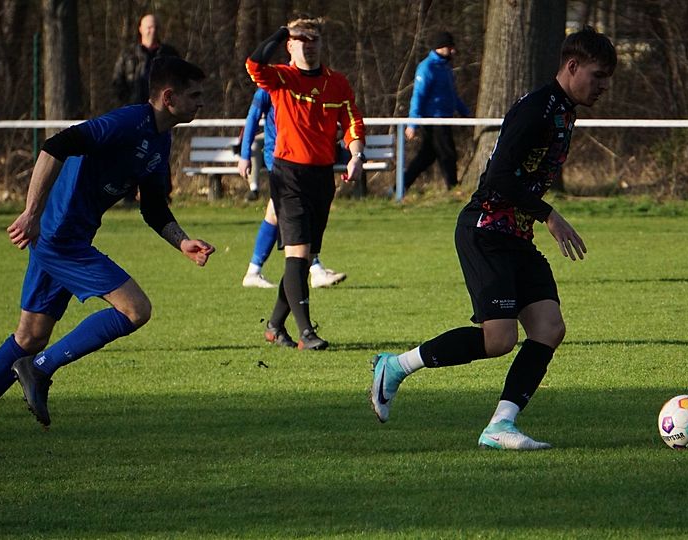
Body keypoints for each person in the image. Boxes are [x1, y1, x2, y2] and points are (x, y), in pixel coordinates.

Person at [0, 57, 214, 458]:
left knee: (29, 337)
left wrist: (182, 241)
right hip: (59, 238)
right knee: (136, 309)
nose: (201, 102)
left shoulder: (160, 139)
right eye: (195, 95)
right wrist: (31, 213)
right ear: (169, 97)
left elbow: (153, 206)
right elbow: (56, 145)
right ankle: (40, 368)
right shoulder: (127, 123)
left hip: (65, 237)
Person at [369, 27, 617, 450]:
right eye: (598, 76)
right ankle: (395, 367)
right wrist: (548, 215)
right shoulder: (537, 109)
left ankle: (500, 426)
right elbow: (499, 176)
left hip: (516, 235)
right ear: (572, 66)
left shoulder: (564, 110)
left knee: (549, 328)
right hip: (485, 231)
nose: (603, 86)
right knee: (499, 340)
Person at [245, 16, 365, 350]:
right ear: (289, 45)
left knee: (305, 255)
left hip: (322, 178)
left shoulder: (337, 83)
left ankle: (274, 325)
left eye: (314, 40)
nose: (308, 46)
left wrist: (356, 155)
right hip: (288, 176)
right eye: (301, 40)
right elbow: (253, 64)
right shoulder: (281, 78)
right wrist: (282, 31)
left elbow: (352, 122)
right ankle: (306, 332)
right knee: (297, 254)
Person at [238, 88, 347, 290]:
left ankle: (254, 271)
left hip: (302, 159)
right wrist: (245, 155)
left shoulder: (307, 85)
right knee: (297, 208)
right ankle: (315, 269)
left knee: (276, 212)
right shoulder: (270, 86)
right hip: (278, 158)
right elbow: (252, 118)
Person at [403, 30, 471, 192]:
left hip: (445, 118)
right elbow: (418, 96)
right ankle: (453, 189)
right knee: (448, 154)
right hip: (434, 120)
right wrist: (412, 123)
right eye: (450, 47)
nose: (453, 51)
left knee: (426, 157)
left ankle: (400, 186)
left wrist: (464, 111)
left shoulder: (445, 68)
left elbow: (451, 95)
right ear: (441, 47)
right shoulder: (427, 68)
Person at [111, 14, 181, 106]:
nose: (152, 30)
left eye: (155, 27)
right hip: (134, 108)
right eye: (149, 27)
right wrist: (127, 103)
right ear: (141, 29)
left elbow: (179, 81)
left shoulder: (169, 54)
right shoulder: (128, 54)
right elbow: (117, 82)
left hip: (162, 109)